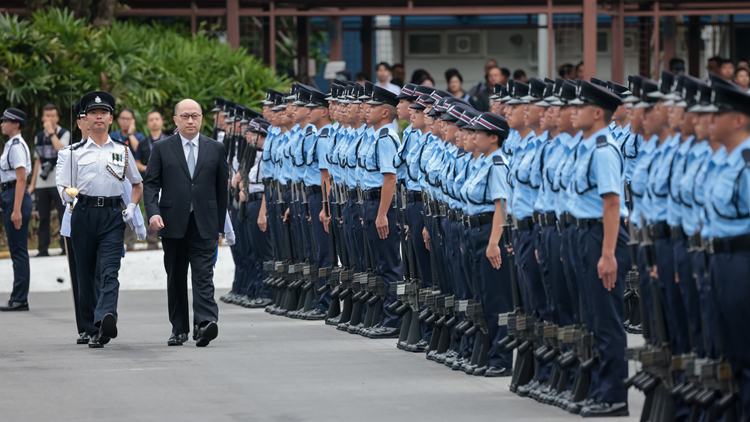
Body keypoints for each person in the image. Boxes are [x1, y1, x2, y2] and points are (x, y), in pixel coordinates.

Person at [57, 91, 143, 348]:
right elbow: (63, 185)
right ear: (85, 118)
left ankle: (106, 317)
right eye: (93, 113)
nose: (98, 116)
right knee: (85, 274)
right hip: (82, 214)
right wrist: (70, 197)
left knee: (109, 270)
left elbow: (137, 185)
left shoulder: (121, 150)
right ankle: (91, 327)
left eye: (103, 112)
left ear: (110, 118)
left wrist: (131, 208)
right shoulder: (74, 152)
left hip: (111, 215)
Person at [567, 81, 630, 417]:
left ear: (596, 113)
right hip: (584, 233)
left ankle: (614, 394)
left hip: (602, 236)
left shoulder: (605, 149)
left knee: (606, 319)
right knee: (591, 316)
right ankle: (599, 389)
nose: (572, 111)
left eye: (579, 106)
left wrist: (608, 254)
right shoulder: (587, 145)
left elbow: (612, 204)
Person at [143, 98, 227, 347]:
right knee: (176, 276)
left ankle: (205, 323)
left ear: (202, 119)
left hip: (205, 223)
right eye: (185, 116)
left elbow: (221, 190)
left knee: (203, 275)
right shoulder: (161, 148)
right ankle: (179, 328)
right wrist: (153, 212)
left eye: (195, 116)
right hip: (172, 223)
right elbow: (150, 185)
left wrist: (220, 226)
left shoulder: (216, 148)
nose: (190, 120)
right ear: (176, 120)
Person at [0, 108, 32, 312]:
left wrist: (16, 209)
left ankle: (20, 298)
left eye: (6, 121)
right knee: (16, 249)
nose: (2, 124)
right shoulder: (11, 144)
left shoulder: (17, 146)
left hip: (16, 197)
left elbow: (21, 179)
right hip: (10, 195)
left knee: (19, 250)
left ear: (16, 124)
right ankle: (17, 296)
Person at [29, 104, 70, 257]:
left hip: (60, 182)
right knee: (43, 216)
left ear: (57, 118)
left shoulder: (63, 133)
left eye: (52, 116)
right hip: (42, 183)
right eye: (47, 116)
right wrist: (32, 185)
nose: (49, 119)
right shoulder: (39, 136)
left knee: (62, 215)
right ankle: (42, 250)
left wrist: (52, 133)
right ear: (42, 118)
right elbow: (37, 161)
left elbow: (62, 150)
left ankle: (65, 248)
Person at [110, 109, 145, 251]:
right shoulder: (112, 136)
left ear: (133, 121)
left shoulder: (139, 136)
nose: (125, 121)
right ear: (118, 120)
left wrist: (131, 134)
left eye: (128, 119)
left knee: (132, 209)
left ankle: (131, 242)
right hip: (115, 178)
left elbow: (138, 150)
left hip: (132, 178)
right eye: (123, 118)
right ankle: (117, 241)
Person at [137, 110, 166, 250]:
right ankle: (152, 242)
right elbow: (135, 162)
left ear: (162, 121)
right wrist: (147, 168)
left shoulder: (170, 140)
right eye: (151, 120)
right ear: (148, 123)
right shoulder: (143, 143)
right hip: (149, 182)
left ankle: (167, 238)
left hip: (168, 182)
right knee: (151, 210)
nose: (154, 122)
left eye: (157, 119)